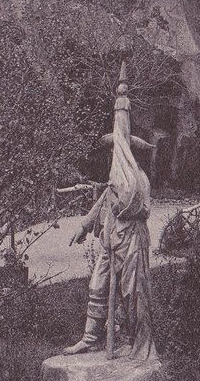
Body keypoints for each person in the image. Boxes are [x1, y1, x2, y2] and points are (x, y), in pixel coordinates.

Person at [64, 68, 158, 361]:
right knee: (97, 286)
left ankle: (134, 340)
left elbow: (136, 208)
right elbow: (104, 200)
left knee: (130, 293)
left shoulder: (137, 181)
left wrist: (120, 206)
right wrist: (84, 225)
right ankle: (91, 338)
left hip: (128, 240)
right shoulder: (115, 181)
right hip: (109, 240)